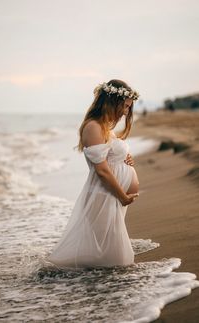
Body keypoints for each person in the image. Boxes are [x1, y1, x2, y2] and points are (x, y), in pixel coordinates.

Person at [46, 79, 140, 269]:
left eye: (129, 108)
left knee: (109, 254)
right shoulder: (94, 127)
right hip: (104, 194)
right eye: (125, 106)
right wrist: (122, 196)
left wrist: (127, 161)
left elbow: (110, 160)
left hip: (110, 195)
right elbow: (103, 171)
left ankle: (104, 288)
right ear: (112, 102)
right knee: (110, 257)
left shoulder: (105, 128)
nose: (125, 112)